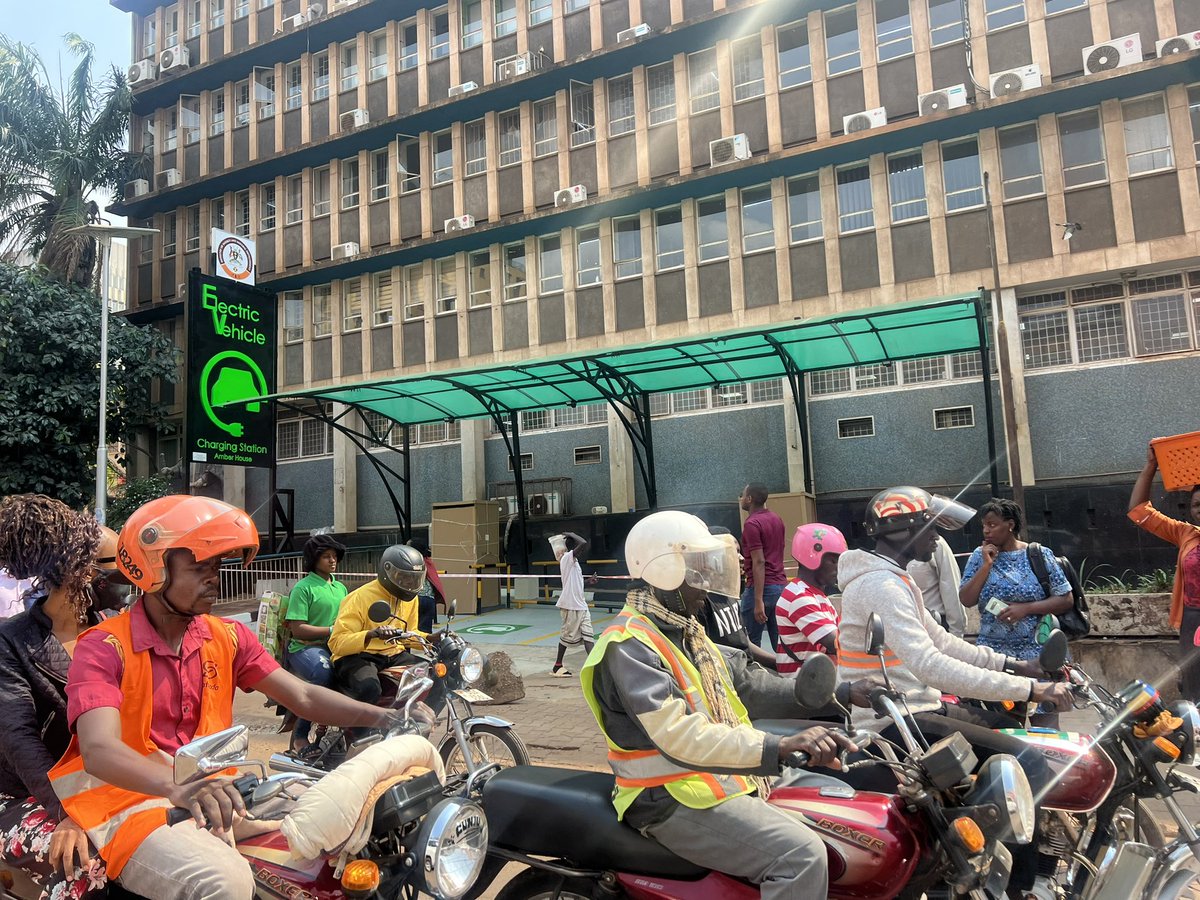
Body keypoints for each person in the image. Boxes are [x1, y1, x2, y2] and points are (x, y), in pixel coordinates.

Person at [53, 495, 421, 900]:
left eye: (216, 566)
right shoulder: (104, 647)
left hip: (216, 794)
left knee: (345, 822)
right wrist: (175, 787)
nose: (214, 578)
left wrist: (386, 716)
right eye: (199, 567)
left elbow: (302, 696)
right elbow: (99, 749)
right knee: (225, 882)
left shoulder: (227, 636)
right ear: (154, 569)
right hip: (128, 804)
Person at [581, 510, 857, 899]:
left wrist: (840, 693)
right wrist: (779, 746)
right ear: (664, 572)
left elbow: (746, 682)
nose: (705, 587)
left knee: (840, 809)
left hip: (716, 780)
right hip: (665, 796)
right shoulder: (628, 645)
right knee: (801, 856)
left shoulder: (687, 632)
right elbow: (679, 735)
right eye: (695, 573)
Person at [837, 486, 1073, 898]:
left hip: (916, 711)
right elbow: (932, 665)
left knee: (1010, 734)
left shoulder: (895, 578)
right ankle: (1012, 885)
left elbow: (945, 642)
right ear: (901, 529)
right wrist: (1032, 689)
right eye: (931, 528)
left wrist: (1016, 666)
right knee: (1027, 763)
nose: (937, 538)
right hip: (894, 723)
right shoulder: (881, 585)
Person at [0, 496, 129, 899]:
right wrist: (69, 812)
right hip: (26, 793)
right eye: (119, 567)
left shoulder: (115, 631)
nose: (130, 576)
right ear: (83, 573)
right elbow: (19, 740)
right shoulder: (12, 640)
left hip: (106, 785)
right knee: (83, 866)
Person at [958, 498, 1073, 666]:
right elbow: (966, 600)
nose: (986, 531)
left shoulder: (1038, 554)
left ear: (1010, 525)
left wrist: (1026, 609)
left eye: (992, 525)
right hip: (993, 656)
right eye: (983, 526)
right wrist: (986, 565)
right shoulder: (979, 556)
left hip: (1037, 653)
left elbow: (1066, 599)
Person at [1128, 441, 1200, 699]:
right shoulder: (1186, 534)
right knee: (1195, 686)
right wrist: (1151, 466)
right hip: (1194, 621)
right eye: (1196, 506)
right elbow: (1140, 512)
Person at [329, 543, 430, 706]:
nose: (409, 582)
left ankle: (417, 723)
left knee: (434, 675)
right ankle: (359, 731)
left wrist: (432, 638)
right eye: (403, 576)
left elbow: (408, 634)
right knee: (369, 688)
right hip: (357, 656)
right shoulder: (359, 597)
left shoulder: (410, 598)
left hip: (392, 654)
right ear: (387, 571)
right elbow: (337, 643)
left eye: (413, 577)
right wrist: (371, 634)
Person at [284, 533, 348, 758]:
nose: (332, 561)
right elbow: (298, 629)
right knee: (323, 672)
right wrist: (332, 631)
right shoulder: (304, 588)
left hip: (335, 644)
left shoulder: (340, 588)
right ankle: (300, 736)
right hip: (304, 647)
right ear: (314, 560)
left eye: (334, 556)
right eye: (326, 557)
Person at [696, 528, 776, 670]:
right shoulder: (701, 601)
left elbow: (745, 643)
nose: (741, 558)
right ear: (714, 557)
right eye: (734, 552)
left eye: (739, 551)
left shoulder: (729, 595)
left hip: (748, 667)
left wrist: (779, 663)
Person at [775, 523, 847, 675]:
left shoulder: (818, 596)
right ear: (812, 557)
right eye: (833, 561)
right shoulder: (799, 597)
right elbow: (839, 644)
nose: (838, 568)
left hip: (820, 680)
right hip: (806, 688)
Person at [738, 483, 787, 652]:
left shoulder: (752, 524)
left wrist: (758, 600)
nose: (741, 498)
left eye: (743, 495)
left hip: (760, 590)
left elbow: (759, 561)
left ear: (750, 499)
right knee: (781, 645)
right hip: (780, 588)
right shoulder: (776, 519)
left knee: (750, 644)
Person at [550, 532, 593, 677]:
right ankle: (557, 666)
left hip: (581, 605)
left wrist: (587, 582)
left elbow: (576, 583)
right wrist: (572, 534)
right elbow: (583, 543)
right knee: (567, 636)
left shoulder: (574, 562)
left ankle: (593, 666)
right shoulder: (566, 558)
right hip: (570, 605)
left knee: (588, 636)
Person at [908, 534, 967, 637]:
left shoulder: (935, 544)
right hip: (905, 629)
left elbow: (951, 588)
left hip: (937, 627)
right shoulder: (887, 548)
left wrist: (956, 633)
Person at [406, 538, 445, 633]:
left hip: (415, 599)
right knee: (426, 634)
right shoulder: (428, 562)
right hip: (430, 600)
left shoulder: (410, 561)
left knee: (407, 632)